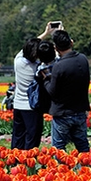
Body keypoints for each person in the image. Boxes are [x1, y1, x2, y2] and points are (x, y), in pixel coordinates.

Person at [11, 22, 60, 150]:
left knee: (18, 135)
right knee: (32, 138)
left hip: (17, 105)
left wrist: (45, 33)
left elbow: (27, 47)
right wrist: (56, 35)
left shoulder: (18, 61)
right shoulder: (39, 69)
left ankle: (15, 161)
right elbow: (56, 59)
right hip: (32, 107)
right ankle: (27, 163)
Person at [42, 29, 91, 153]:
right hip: (80, 110)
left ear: (55, 48)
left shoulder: (59, 66)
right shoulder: (83, 59)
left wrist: (46, 79)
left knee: (59, 148)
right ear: (71, 43)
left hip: (62, 113)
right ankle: (86, 171)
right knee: (83, 147)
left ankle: (62, 172)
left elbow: (52, 92)